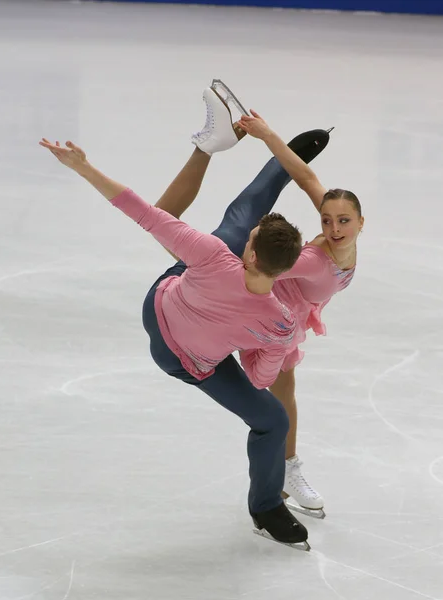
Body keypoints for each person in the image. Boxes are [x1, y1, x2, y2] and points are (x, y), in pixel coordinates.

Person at [38, 90, 330, 550]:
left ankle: (263, 161)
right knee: (271, 420)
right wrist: (254, 344)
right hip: (184, 341)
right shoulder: (279, 321)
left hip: (166, 330)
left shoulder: (218, 257)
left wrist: (82, 167)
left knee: (234, 221)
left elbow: (144, 212)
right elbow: (259, 377)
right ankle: (268, 506)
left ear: (249, 255)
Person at [155, 94, 364, 519]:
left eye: (343, 221)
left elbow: (306, 178)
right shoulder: (309, 259)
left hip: (284, 313)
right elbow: (260, 270)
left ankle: (287, 466)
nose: (333, 228)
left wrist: (271, 137)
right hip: (263, 302)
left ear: (361, 222)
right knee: (217, 224)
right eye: (327, 220)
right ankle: (284, 468)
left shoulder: (339, 223)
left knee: (283, 388)